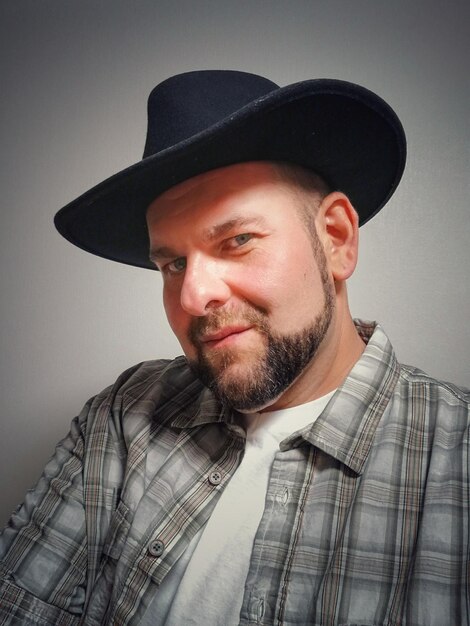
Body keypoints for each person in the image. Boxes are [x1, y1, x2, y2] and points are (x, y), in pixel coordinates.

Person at [0, 70, 468, 626]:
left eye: (237, 240)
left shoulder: (455, 464)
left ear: (336, 240)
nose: (194, 296)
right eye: (172, 264)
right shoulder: (123, 415)